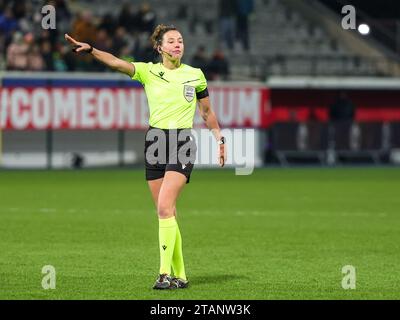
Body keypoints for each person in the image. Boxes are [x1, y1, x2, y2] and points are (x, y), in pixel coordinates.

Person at [64, 24, 226, 290]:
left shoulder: (195, 75)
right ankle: (181, 275)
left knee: (164, 208)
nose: (178, 44)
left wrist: (219, 138)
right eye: (172, 41)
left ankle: (163, 274)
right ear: (159, 47)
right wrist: (92, 49)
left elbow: (207, 113)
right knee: (167, 211)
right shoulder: (149, 71)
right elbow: (116, 62)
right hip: (155, 142)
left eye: (180, 40)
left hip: (181, 142)